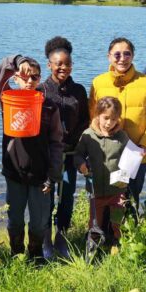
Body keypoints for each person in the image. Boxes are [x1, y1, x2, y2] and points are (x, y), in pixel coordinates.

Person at [0, 54, 64, 261]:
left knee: (39, 221)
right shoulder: (8, 100)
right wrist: (17, 61)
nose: (29, 81)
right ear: (15, 78)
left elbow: (57, 144)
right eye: (24, 76)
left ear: (40, 79)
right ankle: (16, 253)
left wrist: (53, 175)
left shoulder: (49, 106)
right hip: (14, 172)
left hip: (40, 175)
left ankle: (35, 254)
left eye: (34, 77)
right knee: (14, 218)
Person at [89, 37, 146, 210]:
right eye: (117, 54)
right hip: (107, 155)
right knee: (105, 198)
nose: (122, 58)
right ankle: (106, 234)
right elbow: (93, 117)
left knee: (131, 199)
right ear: (109, 56)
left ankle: (130, 235)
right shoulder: (98, 83)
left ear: (132, 56)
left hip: (136, 154)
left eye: (127, 54)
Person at [41, 36, 89, 258]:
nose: (63, 67)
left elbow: (85, 121)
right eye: (58, 63)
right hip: (48, 156)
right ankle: (45, 241)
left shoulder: (78, 91)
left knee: (67, 196)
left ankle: (62, 237)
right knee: (47, 197)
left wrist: (77, 145)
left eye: (67, 63)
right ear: (49, 64)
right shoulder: (40, 90)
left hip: (70, 154)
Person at [75, 97, 129, 246]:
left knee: (117, 223)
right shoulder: (88, 135)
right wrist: (81, 166)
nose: (109, 123)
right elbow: (78, 154)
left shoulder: (122, 136)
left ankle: (116, 246)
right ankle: (93, 247)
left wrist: (138, 155)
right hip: (95, 190)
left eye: (113, 119)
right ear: (97, 114)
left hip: (117, 190)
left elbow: (130, 158)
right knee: (95, 223)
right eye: (105, 118)